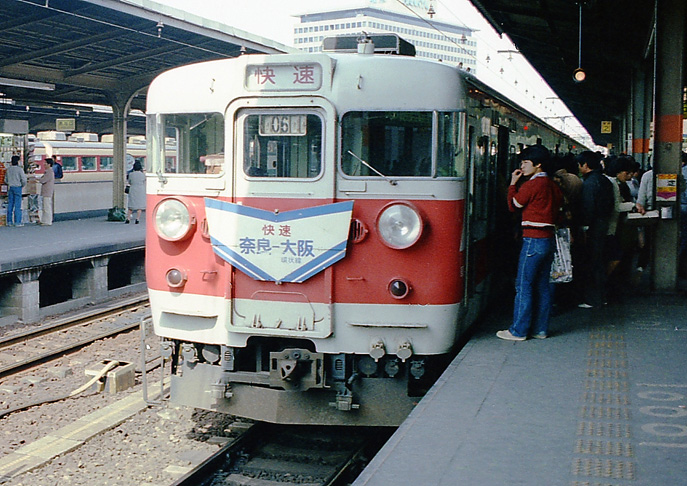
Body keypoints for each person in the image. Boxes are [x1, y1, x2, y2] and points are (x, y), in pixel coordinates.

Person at [496, 145, 563, 341]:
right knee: (542, 285)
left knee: (523, 284)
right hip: (548, 240)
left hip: (533, 240)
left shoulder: (533, 185)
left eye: (525, 163)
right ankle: (540, 329)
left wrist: (512, 183)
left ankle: (519, 330)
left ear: (538, 164)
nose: (522, 167)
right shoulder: (552, 185)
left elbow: (513, 205)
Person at [577, 151, 614, 308]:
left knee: (593, 261)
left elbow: (588, 208)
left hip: (594, 227)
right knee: (599, 260)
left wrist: (585, 227)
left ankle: (593, 299)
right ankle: (602, 297)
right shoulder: (605, 180)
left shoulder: (590, 183)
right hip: (603, 224)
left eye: (579, 165)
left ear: (585, 165)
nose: (578, 168)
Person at [6, 155, 27, 227]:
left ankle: (9, 221)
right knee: (17, 205)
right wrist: (22, 185)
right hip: (18, 187)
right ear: (18, 161)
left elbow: (6, 180)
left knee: (10, 204)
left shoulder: (8, 169)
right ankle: (17, 222)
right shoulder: (20, 169)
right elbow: (24, 179)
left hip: (10, 187)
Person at [38, 158, 55, 225]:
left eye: (45, 163)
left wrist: (38, 179)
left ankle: (47, 221)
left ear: (49, 164)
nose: (44, 164)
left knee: (47, 206)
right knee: (45, 206)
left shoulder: (49, 172)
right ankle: (44, 220)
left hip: (47, 191)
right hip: (46, 191)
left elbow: (43, 180)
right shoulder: (48, 171)